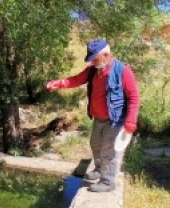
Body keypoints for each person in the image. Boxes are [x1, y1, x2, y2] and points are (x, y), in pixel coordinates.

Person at [46, 39, 140, 192]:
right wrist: (59, 83)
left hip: (115, 119)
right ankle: (98, 169)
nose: (93, 62)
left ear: (106, 55)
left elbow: (134, 97)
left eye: (95, 59)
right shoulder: (92, 70)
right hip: (99, 118)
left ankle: (108, 182)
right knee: (95, 144)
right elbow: (76, 80)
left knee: (108, 151)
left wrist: (131, 120)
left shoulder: (123, 71)